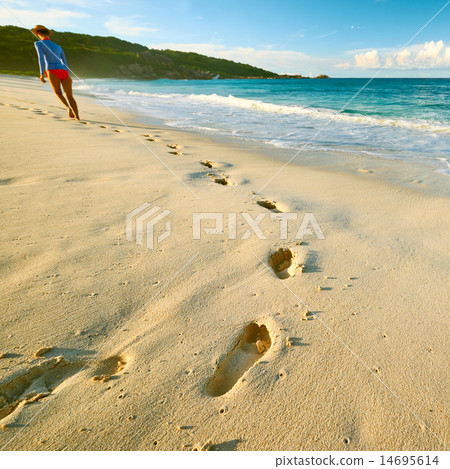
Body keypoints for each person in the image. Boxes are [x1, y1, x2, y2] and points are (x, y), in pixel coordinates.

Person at [32, 25, 80, 120]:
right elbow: (65, 63)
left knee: (58, 93)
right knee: (70, 96)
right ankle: (77, 116)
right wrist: (69, 76)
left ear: (39, 34)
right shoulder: (58, 46)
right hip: (64, 71)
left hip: (52, 70)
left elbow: (41, 59)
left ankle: (68, 108)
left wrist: (41, 73)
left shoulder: (38, 43)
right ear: (48, 34)